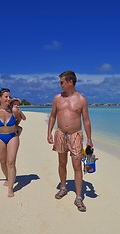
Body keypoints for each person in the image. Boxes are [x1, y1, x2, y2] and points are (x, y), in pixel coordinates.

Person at [47, 70, 93, 212]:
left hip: (75, 135)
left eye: (62, 82)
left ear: (70, 82)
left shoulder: (81, 99)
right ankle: (63, 187)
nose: (60, 85)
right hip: (60, 133)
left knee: (77, 165)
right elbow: (53, 116)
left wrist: (89, 139)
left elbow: (86, 120)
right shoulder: (57, 98)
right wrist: (49, 132)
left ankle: (79, 197)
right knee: (61, 162)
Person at [0, 88, 20, 197]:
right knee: (2, 161)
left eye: (9, 97)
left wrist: (14, 127)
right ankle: (8, 178)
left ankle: (10, 188)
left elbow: (18, 120)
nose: (8, 99)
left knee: (10, 162)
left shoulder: (14, 110)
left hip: (12, 137)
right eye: (6, 97)